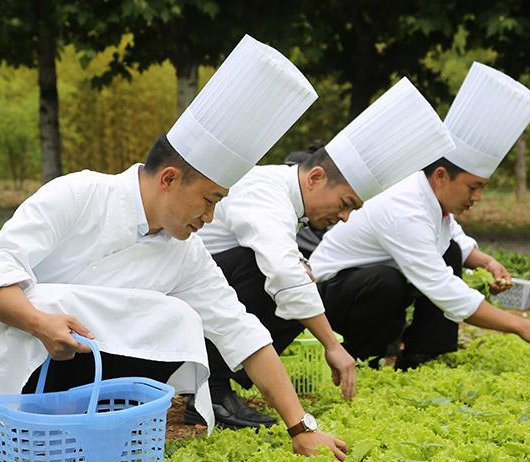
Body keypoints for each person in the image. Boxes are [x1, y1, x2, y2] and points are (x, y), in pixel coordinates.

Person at [0, 34, 346, 459]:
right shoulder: (81, 193)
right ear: (170, 179)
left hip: (84, 364)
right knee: (54, 300)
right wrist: (39, 322)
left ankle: (93, 427)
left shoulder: (186, 253)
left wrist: (300, 426)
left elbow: (240, 331)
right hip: (8, 345)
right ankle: (36, 426)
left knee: (175, 318)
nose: (210, 218)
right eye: (210, 200)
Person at [189, 78, 455, 428]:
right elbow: (281, 272)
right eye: (345, 203)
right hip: (183, 300)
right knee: (273, 273)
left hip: (205, 302)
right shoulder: (265, 191)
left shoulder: (288, 200)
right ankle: (211, 389)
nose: (344, 217)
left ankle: (222, 386)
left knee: (302, 283)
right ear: (315, 177)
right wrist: (332, 344)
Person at [310, 62, 530, 368]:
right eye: (473, 187)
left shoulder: (432, 198)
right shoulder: (404, 209)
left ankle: (423, 352)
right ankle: (361, 357)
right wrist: (519, 325)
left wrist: (489, 263)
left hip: (365, 284)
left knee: (449, 251)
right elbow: (442, 287)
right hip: (328, 295)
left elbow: (454, 238)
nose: (477, 197)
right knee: (385, 282)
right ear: (441, 176)